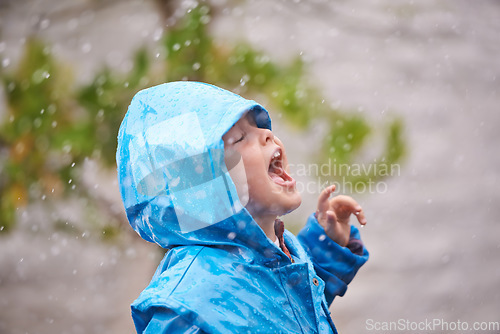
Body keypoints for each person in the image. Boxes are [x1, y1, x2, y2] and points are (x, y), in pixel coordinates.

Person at [116, 81, 369, 334]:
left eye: (257, 125)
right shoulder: (190, 308)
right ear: (204, 190)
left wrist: (326, 244)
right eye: (239, 138)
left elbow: (287, 306)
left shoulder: (276, 255)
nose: (267, 134)